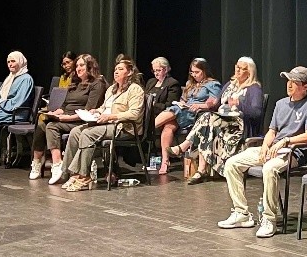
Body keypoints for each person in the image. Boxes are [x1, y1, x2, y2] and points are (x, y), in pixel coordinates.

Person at [218, 66, 307, 239]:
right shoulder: (281, 103)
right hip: (274, 148)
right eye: (288, 81)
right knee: (231, 164)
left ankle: (269, 219)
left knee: (269, 169)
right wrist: (266, 146)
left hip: (294, 152)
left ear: (305, 87)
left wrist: (287, 140)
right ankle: (241, 213)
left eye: (294, 82)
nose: (289, 85)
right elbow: (272, 131)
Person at [172, 56, 265, 184]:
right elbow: (217, 105)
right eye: (237, 67)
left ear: (249, 72)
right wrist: (211, 103)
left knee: (207, 118)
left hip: (238, 125)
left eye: (242, 69)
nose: (237, 70)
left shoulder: (254, 89)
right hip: (221, 121)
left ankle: (184, 148)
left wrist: (239, 104)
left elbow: (257, 113)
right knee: (206, 120)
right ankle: (201, 169)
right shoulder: (229, 85)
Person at [61, 58, 145, 191]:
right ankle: (71, 173)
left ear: (129, 73)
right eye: (115, 69)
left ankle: (84, 175)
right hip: (106, 124)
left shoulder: (135, 89)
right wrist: (96, 111)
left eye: (121, 69)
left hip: (124, 128)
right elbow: (105, 107)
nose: (116, 72)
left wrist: (111, 117)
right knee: (76, 131)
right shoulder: (112, 89)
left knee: (87, 134)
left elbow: (134, 114)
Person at [32, 54, 106, 182]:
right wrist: (56, 113)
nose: (78, 68)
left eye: (81, 65)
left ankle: (56, 164)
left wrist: (65, 118)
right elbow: (64, 106)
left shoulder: (96, 83)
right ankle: (37, 161)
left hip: (81, 120)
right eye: (77, 65)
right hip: (66, 118)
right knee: (42, 123)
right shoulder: (75, 83)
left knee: (51, 126)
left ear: (90, 66)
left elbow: (88, 111)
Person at [154, 58, 222, 174]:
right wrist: (182, 103)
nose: (194, 75)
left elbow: (214, 104)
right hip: (183, 110)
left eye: (197, 72)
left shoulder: (212, 84)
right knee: (168, 127)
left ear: (204, 71)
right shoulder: (190, 84)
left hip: (196, 114)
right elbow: (183, 99)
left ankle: (147, 130)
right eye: (192, 72)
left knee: (173, 111)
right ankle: (165, 161)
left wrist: (200, 105)